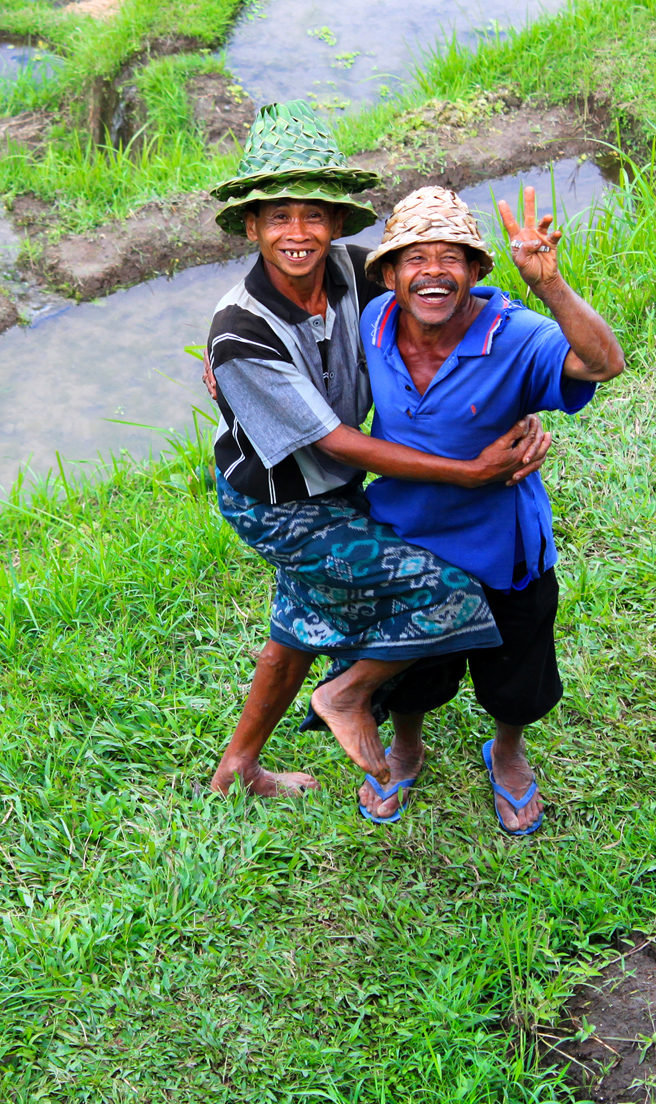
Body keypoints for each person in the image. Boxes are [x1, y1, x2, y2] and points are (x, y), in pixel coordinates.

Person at [201, 101, 553, 799]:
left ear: (337, 222)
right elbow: (335, 441)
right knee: (448, 594)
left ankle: (237, 770)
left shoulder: (358, 271)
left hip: (336, 487)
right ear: (252, 225)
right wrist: (472, 469)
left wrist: (520, 386)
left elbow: (447, 299)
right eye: (277, 216)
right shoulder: (239, 332)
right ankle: (347, 694)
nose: (297, 233)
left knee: (296, 625)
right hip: (280, 503)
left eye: (313, 215)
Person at [349, 184, 624, 835]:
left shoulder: (515, 335)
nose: (433, 271)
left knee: (515, 675)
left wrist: (551, 286)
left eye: (452, 256)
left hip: (503, 549)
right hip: (405, 542)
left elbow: (603, 362)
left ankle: (507, 750)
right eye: (415, 258)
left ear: (475, 271)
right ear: (389, 275)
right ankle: (408, 746)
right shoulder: (373, 323)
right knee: (409, 670)